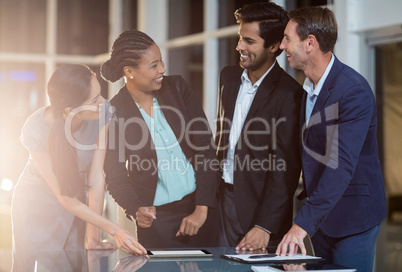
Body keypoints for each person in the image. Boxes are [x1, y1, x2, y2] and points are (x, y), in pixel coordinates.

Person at [276, 7, 387, 272]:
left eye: (287, 38)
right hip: (322, 217)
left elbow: (340, 166)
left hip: (354, 217)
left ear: (310, 43)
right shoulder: (307, 89)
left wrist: (301, 223)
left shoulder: (353, 91)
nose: (282, 46)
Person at [11, 64, 146, 272]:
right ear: (70, 110)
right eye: (94, 101)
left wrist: (93, 238)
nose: (103, 103)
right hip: (35, 206)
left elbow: (95, 180)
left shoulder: (103, 113)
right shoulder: (36, 128)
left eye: (100, 95)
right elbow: (63, 196)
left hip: (76, 204)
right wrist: (115, 230)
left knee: (73, 265)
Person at [101, 29, 220, 248]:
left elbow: (205, 148)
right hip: (157, 223)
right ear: (129, 71)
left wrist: (202, 209)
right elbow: (115, 175)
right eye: (153, 65)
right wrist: (135, 208)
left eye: (161, 61)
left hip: (200, 211)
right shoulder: (115, 111)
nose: (162, 69)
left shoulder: (177, 87)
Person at [215, 2, 303, 251]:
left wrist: (265, 226)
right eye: (239, 38)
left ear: (274, 46)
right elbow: (222, 140)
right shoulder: (228, 78)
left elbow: (286, 168)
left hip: (260, 210)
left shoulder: (290, 94)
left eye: (249, 41)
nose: (239, 47)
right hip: (221, 203)